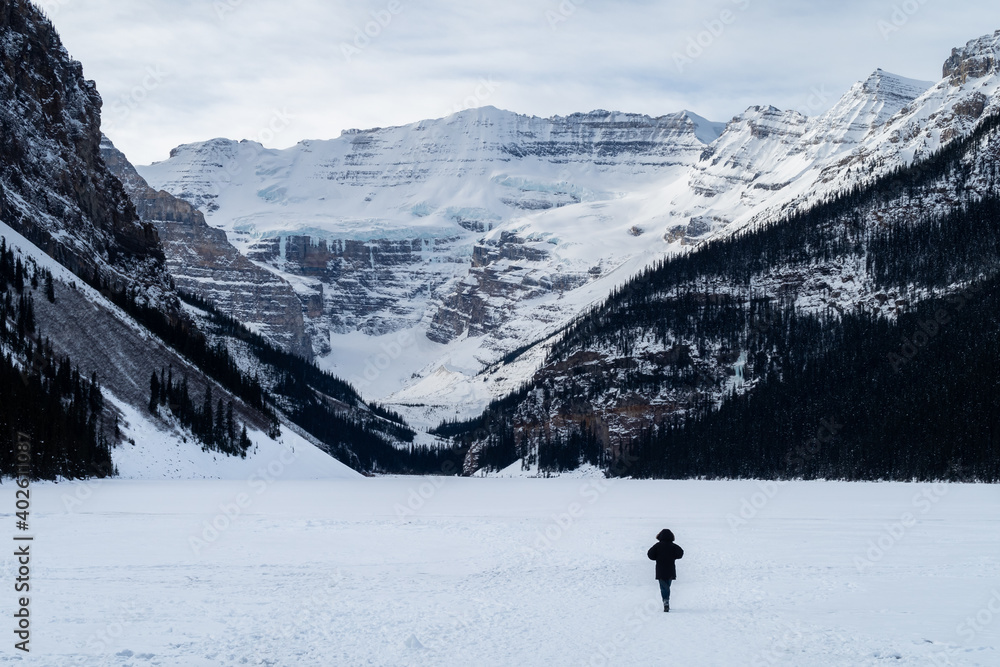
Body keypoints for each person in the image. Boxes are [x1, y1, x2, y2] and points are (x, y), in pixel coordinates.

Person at [647, 529, 683, 612]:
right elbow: (680, 553)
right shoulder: (673, 546)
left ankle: (665, 601)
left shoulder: (657, 546)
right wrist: (673, 556)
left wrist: (657, 557)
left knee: (663, 587)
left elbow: (650, 555)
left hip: (660, 570)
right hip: (670, 569)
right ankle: (666, 601)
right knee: (667, 586)